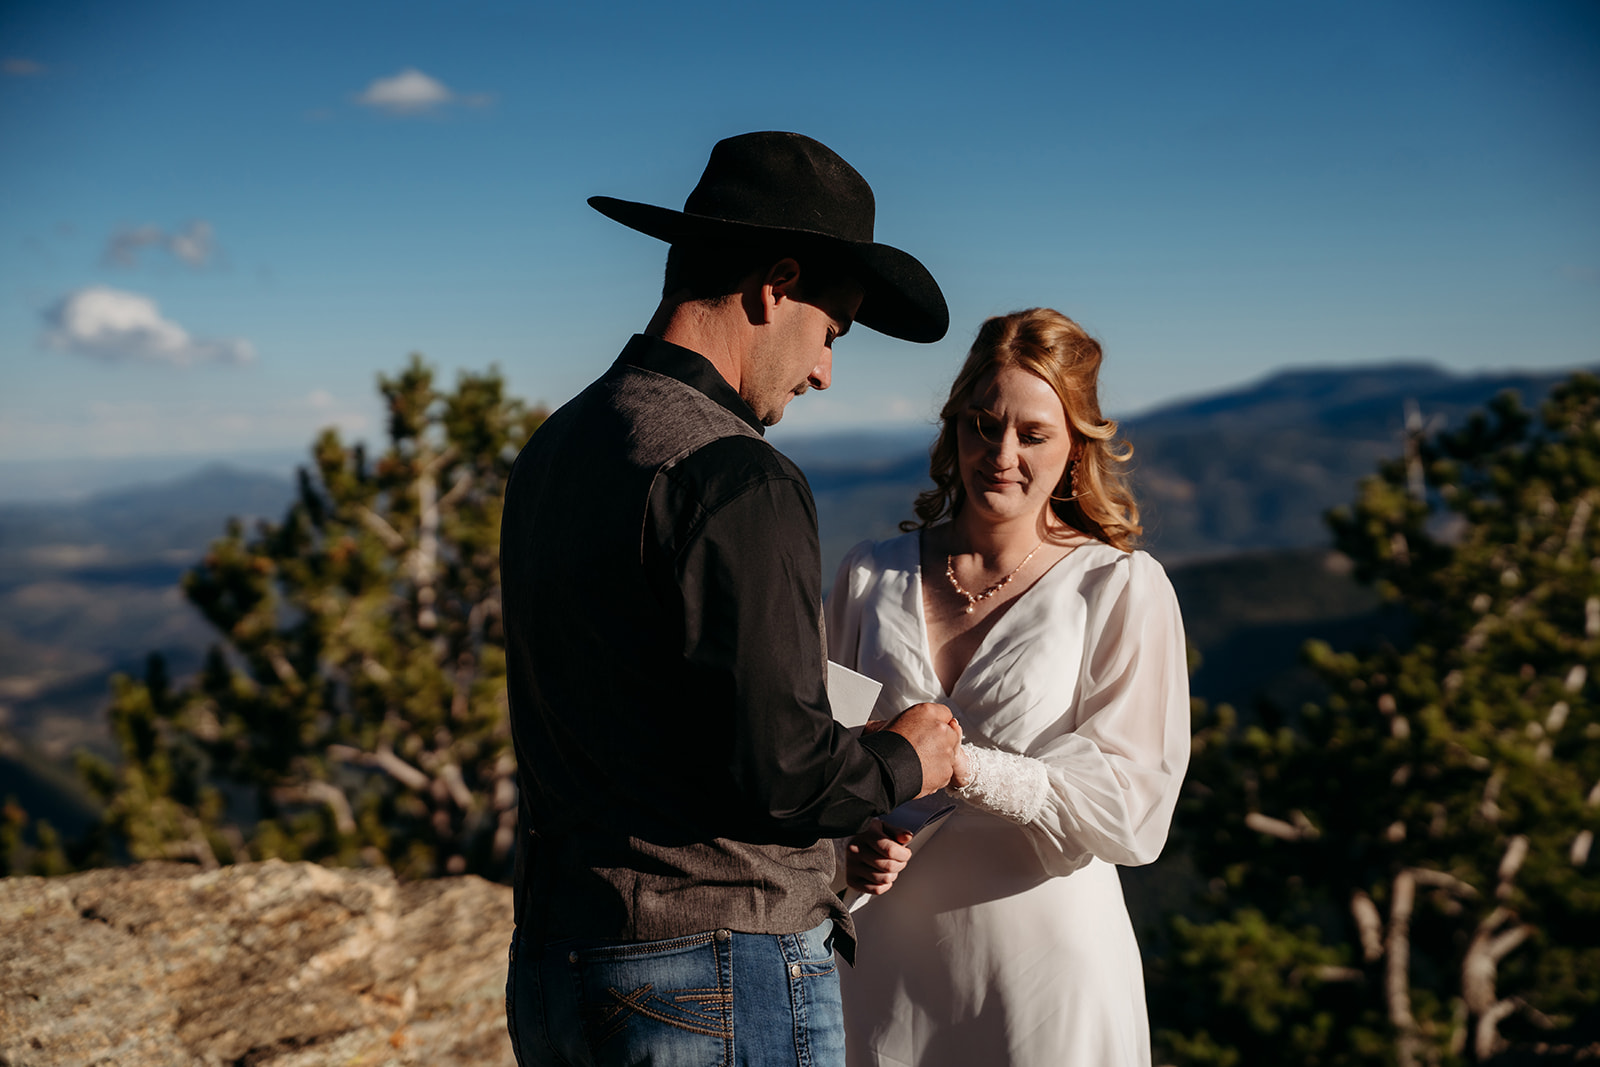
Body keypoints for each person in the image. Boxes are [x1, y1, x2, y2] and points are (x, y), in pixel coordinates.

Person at [500, 131, 965, 1067]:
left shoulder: (557, 447)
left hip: (560, 960)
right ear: (775, 283)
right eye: (830, 332)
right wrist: (907, 760)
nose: (827, 370)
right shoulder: (736, 474)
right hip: (713, 971)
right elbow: (782, 771)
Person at [827, 307, 1192, 1066]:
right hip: (885, 970)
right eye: (982, 425)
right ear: (953, 428)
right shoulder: (868, 574)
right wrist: (853, 839)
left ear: (1075, 448)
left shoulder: (1119, 588)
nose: (1000, 453)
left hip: (1046, 980)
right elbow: (817, 756)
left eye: (1033, 433)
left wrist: (963, 766)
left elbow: (1133, 808)